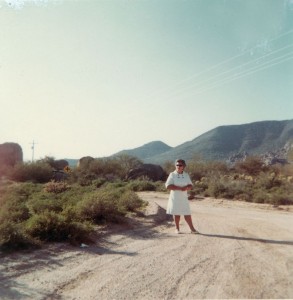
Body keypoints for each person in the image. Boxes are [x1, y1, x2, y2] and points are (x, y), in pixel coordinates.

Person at [165, 159, 199, 234]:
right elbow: (168, 186)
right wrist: (179, 188)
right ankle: (177, 229)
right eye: (177, 165)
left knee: (187, 213)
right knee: (176, 213)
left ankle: (192, 229)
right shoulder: (172, 174)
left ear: (183, 166)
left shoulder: (186, 175)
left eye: (180, 165)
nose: (178, 166)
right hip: (175, 197)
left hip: (184, 197)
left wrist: (187, 188)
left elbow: (190, 185)